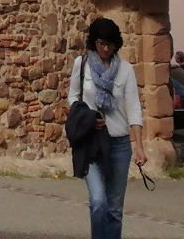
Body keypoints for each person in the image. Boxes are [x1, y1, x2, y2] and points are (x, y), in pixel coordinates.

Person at [68, 17, 147, 239]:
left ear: (116, 45)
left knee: (114, 209)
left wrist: (139, 147)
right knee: (98, 202)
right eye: (102, 43)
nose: (105, 48)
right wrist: (87, 119)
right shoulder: (81, 65)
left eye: (110, 44)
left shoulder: (125, 70)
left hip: (119, 145)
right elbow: (73, 97)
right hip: (92, 142)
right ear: (94, 42)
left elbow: (133, 109)